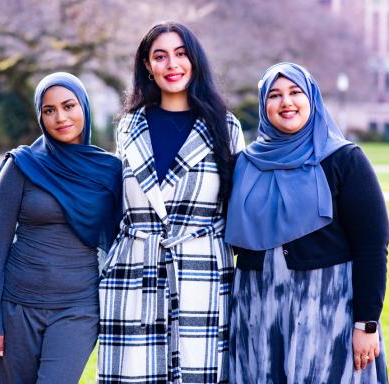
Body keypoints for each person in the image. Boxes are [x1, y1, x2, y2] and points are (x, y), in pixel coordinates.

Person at [98, 22, 245, 383]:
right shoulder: (128, 126)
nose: (172, 64)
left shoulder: (225, 128)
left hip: (203, 276)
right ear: (147, 65)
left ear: (194, 61)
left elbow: (240, 210)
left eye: (180, 54)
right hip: (135, 274)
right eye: (160, 56)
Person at [225, 62, 388, 383]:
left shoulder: (344, 160)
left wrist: (366, 325)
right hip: (256, 313)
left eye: (295, 92)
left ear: (312, 98)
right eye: (275, 95)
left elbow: (372, 248)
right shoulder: (244, 164)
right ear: (264, 105)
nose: (286, 102)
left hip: (328, 314)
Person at [0, 72, 122, 384]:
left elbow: (121, 237)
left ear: (84, 106)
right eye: (49, 110)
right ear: (40, 116)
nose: (61, 117)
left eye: (69, 106)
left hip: (78, 307)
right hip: (17, 306)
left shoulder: (110, 170)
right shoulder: (21, 165)